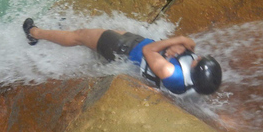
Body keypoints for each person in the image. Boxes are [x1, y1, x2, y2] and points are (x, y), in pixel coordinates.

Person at [22, 18, 222, 95]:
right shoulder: (195, 83)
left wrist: (175, 41)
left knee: (80, 36)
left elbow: (149, 51)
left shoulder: (170, 72)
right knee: (96, 32)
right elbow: (191, 45)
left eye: (197, 61)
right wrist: (181, 48)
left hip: (124, 49)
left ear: (194, 71)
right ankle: (62, 33)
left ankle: (34, 33)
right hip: (132, 46)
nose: (196, 56)